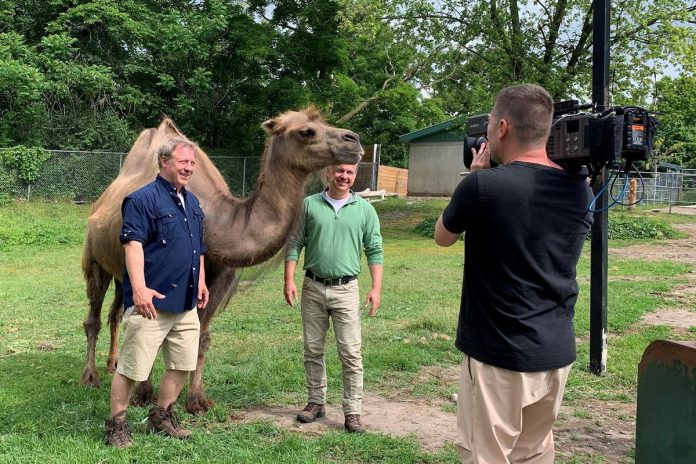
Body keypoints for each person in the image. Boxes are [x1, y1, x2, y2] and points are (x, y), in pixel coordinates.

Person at [434, 84, 593, 463]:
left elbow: (443, 237)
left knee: (484, 456)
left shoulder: (482, 185)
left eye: (488, 125)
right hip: (554, 353)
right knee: (533, 454)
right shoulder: (581, 190)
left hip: (498, 355)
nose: (485, 134)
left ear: (502, 128)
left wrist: (474, 178)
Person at [104, 136, 209, 447]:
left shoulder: (192, 202)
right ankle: (116, 427)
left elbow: (198, 248)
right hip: (152, 302)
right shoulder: (141, 200)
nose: (189, 168)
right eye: (183, 162)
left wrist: (201, 280)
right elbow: (132, 246)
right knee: (132, 367)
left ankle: (161, 416)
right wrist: (138, 289)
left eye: (192, 163)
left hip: (187, 303)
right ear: (164, 162)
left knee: (182, 363)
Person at [284, 163, 383, 433]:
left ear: (354, 176)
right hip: (313, 287)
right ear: (329, 173)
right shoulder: (308, 205)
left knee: (350, 352)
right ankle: (316, 402)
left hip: (347, 290)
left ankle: (352, 411)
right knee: (313, 349)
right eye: (340, 171)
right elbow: (294, 242)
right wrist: (288, 279)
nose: (344, 176)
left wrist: (376, 288)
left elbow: (374, 249)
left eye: (350, 172)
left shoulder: (365, 210)